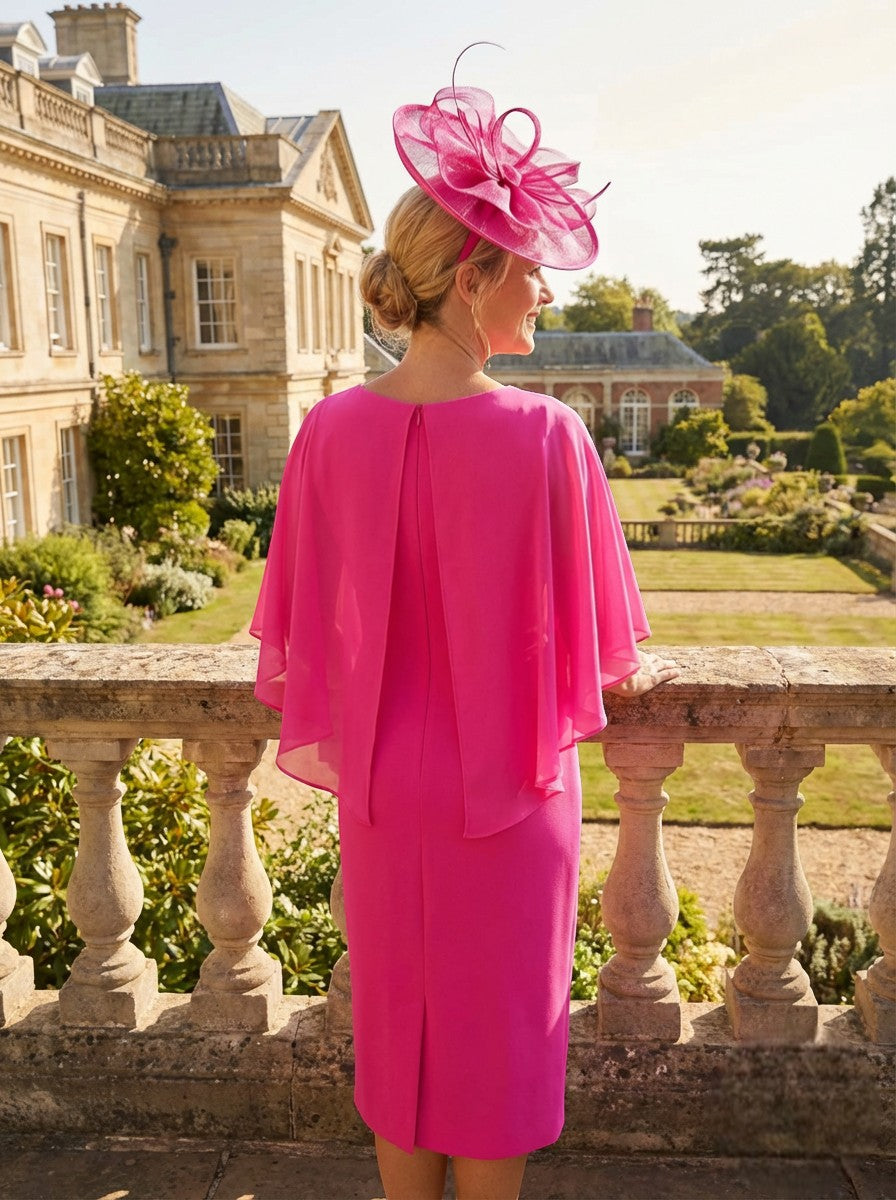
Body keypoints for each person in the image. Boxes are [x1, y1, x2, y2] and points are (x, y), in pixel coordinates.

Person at [251, 60, 678, 1200]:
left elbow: (295, 634)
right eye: (527, 270)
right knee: (497, 1039)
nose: (541, 293)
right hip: (511, 794)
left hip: (387, 792)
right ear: (475, 273)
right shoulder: (548, 437)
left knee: (400, 1027)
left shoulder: (328, 431)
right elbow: (608, 652)